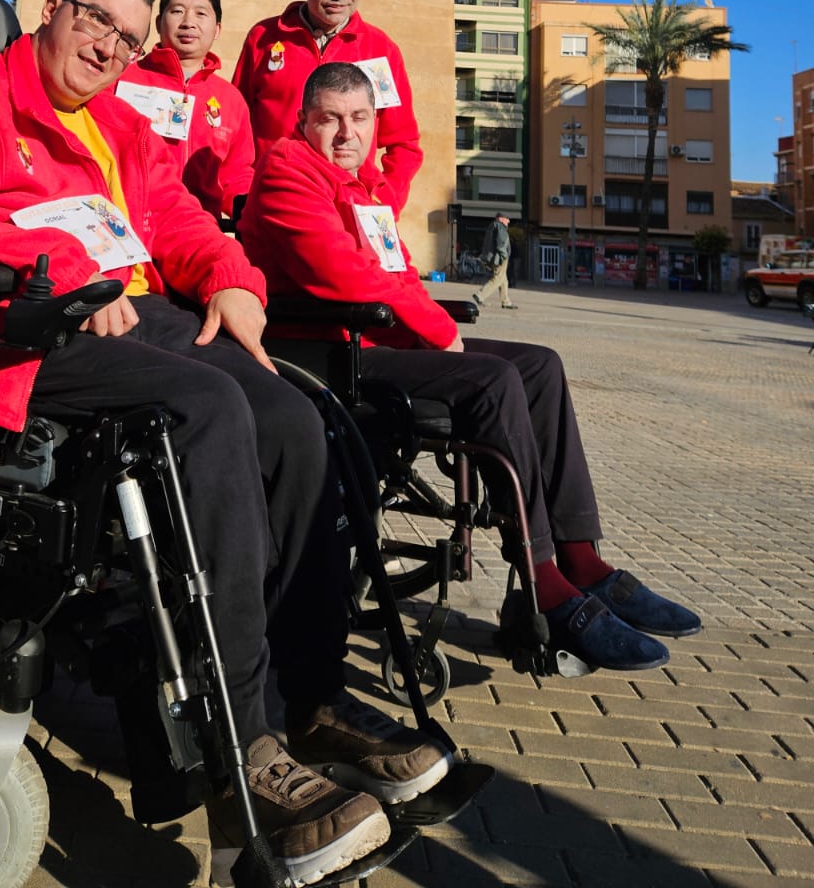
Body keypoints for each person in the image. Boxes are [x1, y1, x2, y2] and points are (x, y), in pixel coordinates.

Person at [0, 0, 453, 886]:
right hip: (27, 325)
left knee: (297, 417)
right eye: (96, 20)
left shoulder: (122, 127)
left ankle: (313, 696)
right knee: (208, 410)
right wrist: (53, 264)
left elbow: (180, 220)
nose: (108, 47)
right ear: (53, 10)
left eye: (127, 40)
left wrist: (229, 279)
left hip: (140, 313)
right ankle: (243, 752)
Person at [239, 62, 702, 676]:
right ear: (305, 121)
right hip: (326, 357)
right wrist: (439, 332)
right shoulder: (286, 172)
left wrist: (431, 324)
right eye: (329, 119)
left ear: (376, 124)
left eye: (359, 119)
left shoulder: (368, 188)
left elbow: (397, 276)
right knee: (491, 378)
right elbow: (339, 273)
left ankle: (581, 558)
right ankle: (544, 583)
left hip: (376, 343)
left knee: (539, 366)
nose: (346, 133)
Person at [233, 0, 422, 214]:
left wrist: (383, 203)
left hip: (346, 209)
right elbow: (236, 126)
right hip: (271, 203)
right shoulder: (263, 38)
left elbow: (404, 144)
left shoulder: (381, 51)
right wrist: (244, 193)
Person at [115, 0, 254, 221]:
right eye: (177, 11)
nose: (188, 23)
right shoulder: (121, 78)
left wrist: (250, 210)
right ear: (158, 23)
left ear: (218, 29)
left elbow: (237, 174)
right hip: (130, 221)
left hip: (200, 229)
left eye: (201, 14)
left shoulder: (231, 99)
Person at [473, 212, 515, 310]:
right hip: (500, 258)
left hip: (495, 257)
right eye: (507, 218)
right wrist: (504, 256)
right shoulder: (500, 227)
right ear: (500, 218)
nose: (508, 221)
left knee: (504, 280)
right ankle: (480, 295)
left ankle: (506, 302)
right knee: (498, 279)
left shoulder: (493, 226)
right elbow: (501, 244)